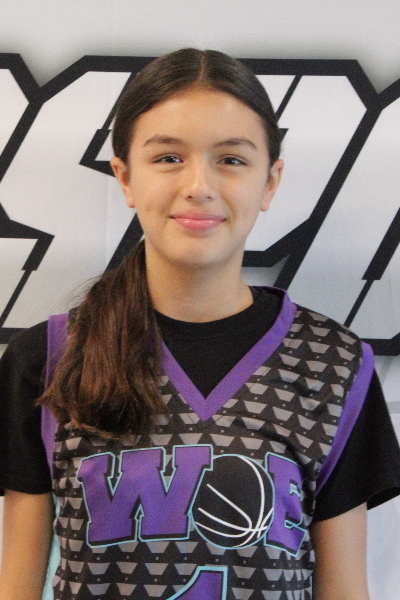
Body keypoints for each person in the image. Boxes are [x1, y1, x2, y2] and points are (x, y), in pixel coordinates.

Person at [1, 48, 400, 600]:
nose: (199, 185)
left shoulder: (333, 364)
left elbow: (346, 588)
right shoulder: (48, 358)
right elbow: (16, 584)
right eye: (168, 157)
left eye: (231, 159)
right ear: (125, 177)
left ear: (270, 181)